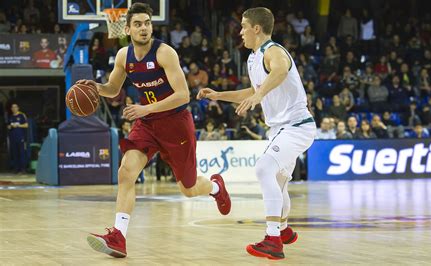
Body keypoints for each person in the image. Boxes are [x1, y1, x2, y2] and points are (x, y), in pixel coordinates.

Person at [77, 3, 231, 258]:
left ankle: (215, 187)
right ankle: (119, 236)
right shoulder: (124, 56)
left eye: (147, 23)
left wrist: (146, 109)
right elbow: (113, 89)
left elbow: (183, 96)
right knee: (126, 172)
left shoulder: (165, 53)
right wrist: (94, 87)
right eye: (137, 24)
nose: (144, 28)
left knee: (188, 189)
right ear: (126, 29)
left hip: (176, 124)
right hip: (147, 125)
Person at [197, 7, 316, 260]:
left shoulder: (273, 51)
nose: (240, 32)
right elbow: (251, 91)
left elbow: (280, 71)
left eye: (243, 26)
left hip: (296, 126)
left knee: (263, 169)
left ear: (257, 29)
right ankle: (283, 231)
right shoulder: (253, 58)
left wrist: (259, 95)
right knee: (280, 182)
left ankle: (272, 239)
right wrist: (218, 95)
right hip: (280, 129)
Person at [7, 104, 28, 173]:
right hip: (13, 138)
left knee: (22, 153)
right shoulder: (10, 117)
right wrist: (10, 126)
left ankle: (23, 169)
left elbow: (26, 125)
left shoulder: (22, 115)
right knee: (15, 153)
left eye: (15, 107)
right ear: (11, 109)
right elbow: (8, 126)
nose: (14, 108)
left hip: (20, 137)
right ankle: (16, 168)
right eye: (12, 107)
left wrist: (19, 125)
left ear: (18, 108)